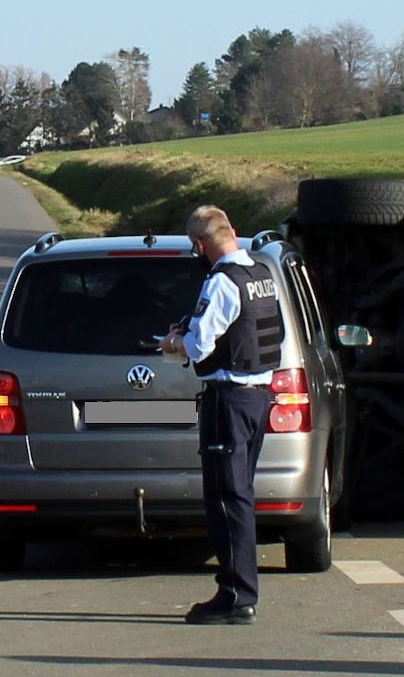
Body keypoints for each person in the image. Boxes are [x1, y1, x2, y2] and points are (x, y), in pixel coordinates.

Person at [160, 205, 282, 625]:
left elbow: (199, 347)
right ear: (233, 230)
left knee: (227, 501)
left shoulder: (222, 282)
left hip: (228, 401)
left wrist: (173, 343)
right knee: (239, 495)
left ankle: (236, 596)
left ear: (200, 244)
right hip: (258, 398)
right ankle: (238, 591)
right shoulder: (261, 275)